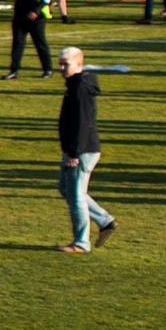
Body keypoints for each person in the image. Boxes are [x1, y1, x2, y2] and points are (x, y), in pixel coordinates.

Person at [50, 46, 113, 252]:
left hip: (82, 151)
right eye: (60, 63)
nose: (61, 68)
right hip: (75, 148)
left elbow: (83, 123)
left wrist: (75, 153)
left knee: (76, 194)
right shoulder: (76, 84)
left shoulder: (79, 88)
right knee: (66, 188)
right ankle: (105, 221)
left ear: (79, 64)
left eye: (65, 64)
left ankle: (81, 242)